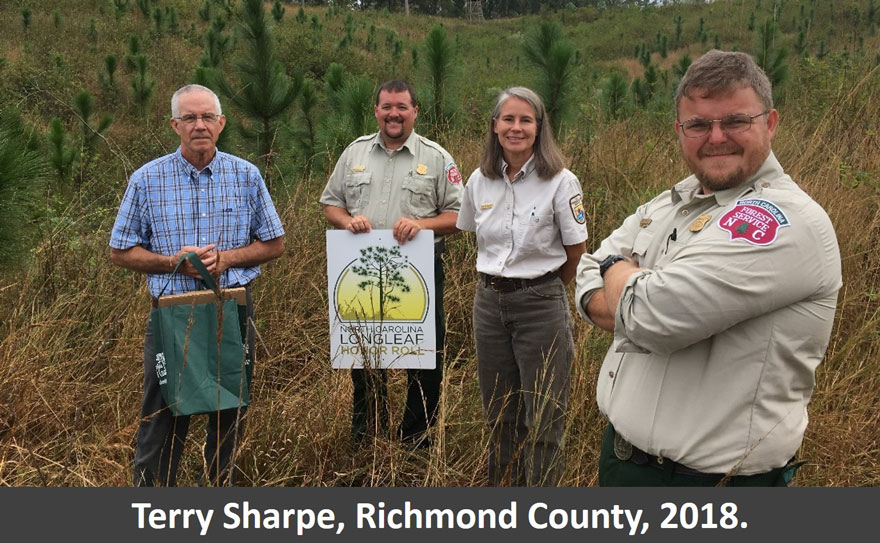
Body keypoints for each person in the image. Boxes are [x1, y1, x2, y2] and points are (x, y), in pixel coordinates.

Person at [575, 50, 842, 486]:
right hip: (623, 459)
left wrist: (614, 267)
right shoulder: (672, 201)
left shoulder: (783, 220)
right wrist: (620, 279)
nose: (716, 137)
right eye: (698, 124)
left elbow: (650, 315)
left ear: (770, 123)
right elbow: (585, 275)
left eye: (735, 121)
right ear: (680, 131)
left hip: (714, 482)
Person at [109, 84, 285, 486]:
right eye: (189, 118)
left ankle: (221, 494)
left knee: (229, 411)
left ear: (221, 123)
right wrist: (173, 262)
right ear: (175, 125)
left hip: (231, 310)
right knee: (163, 411)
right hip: (172, 312)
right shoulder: (147, 179)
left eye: (207, 117)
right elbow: (120, 251)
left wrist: (227, 259)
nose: (199, 125)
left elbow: (274, 243)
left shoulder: (246, 176)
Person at [320, 80, 463, 446]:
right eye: (387, 107)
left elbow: (460, 217)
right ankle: (369, 434)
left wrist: (421, 224)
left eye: (402, 107)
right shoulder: (354, 154)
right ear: (376, 111)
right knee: (367, 356)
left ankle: (417, 440)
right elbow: (330, 204)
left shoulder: (436, 158)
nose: (393, 114)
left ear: (415, 111)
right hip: (361, 275)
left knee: (423, 358)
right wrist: (346, 221)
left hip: (419, 275)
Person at [456, 87, 587, 486]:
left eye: (525, 120)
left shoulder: (561, 182)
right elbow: (469, 232)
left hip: (540, 304)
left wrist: (541, 291)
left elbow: (576, 252)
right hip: (489, 303)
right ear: (494, 126)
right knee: (499, 413)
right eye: (508, 119)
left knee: (545, 415)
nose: (516, 127)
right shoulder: (480, 180)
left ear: (539, 128)